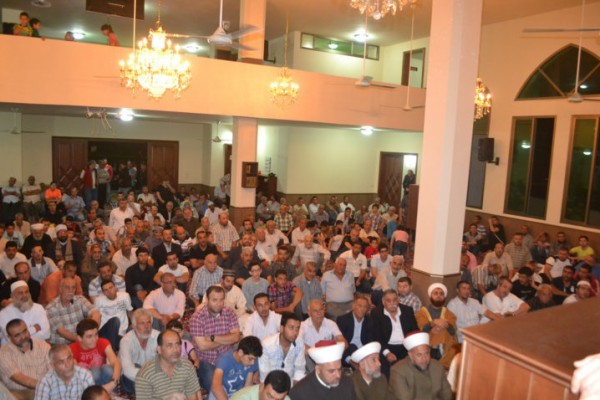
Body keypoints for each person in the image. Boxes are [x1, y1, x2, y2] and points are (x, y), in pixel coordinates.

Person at [189, 285, 241, 392]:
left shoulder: (229, 312)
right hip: (206, 360)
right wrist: (227, 340)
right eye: (214, 300)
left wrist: (213, 338)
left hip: (227, 355)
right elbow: (203, 346)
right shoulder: (197, 318)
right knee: (214, 389)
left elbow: (236, 337)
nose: (219, 303)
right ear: (206, 300)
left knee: (238, 383)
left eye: (221, 300)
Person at [135, 329, 201, 399]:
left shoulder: (187, 366)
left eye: (177, 344)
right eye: (169, 346)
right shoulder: (145, 375)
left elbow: (193, 397)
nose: (175, 350)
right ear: (159, 350)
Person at [387, 332, 452, 400]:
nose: (424, 359)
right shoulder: (398, 371)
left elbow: (447, 395)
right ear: (410, 355)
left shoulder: (437, 366)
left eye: (427, 353)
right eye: (419, 355)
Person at [371, 289, 419, 376]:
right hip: (386, 346)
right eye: (388, 301)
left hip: (405, 346)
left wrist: (413, 348)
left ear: (398, 300)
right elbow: (377, 337)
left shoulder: (407, 311)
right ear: (383, 302)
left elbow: (415, 331)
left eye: (394, 300)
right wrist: (387, 353)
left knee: (412, 369)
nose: (392, 303)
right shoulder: (376, 313)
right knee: (386, 371)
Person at [0, 318, 51, 399]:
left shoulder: (43, 345)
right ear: (9, 337)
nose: (23, 337)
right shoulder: (3, 352)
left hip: (45, 391)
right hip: (18, 393)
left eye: (25, 331)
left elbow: (52, 370)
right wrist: (44, 386)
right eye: (17, 335)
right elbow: (18, 377)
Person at [289, 341, 356, 400]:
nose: (338, 375)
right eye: (331, 371)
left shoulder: (347, 383)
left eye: (339, 369)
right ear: (318, 369)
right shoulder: (300, 393)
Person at [69, 319, 121, 392]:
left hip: (105, 380)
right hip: (88, 385)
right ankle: (99, 395)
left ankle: (111, 394)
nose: (94, 339)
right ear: (79, 338)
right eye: (89, 336)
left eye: (96, 334)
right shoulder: (71, 349)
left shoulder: (103, 342)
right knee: (94, 372)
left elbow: (116, 363)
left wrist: (114, 383)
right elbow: (76, 374)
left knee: (108, 369)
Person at [46, 278, 101, 345]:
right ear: (60, 289)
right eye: (67, 287)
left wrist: (91, 332)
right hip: (62, 345)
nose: (71, 290)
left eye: (73, 287)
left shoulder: (80, 299)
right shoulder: (51, 308)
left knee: (105, 340)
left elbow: (96, 314)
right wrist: (83, 339)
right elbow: (62, 332)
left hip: (82, 340)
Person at [415, 284, 458, 368]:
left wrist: (443, 325)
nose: (439, 295)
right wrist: (434, 322)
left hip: (445, 346)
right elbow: (422, 330)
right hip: (427, 343)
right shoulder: (422, 312)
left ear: (444, 297)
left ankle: (438, 352)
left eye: (441, 294)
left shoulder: (448, 313)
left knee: (442, 332)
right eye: (435, 293)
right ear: (430, 296)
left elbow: (453, 331)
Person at [118, 308, 160, 394]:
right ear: (134, 326)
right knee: (133, 380)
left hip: (152, 373)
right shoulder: (126, 341)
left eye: (148, 322)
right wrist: (150, 379)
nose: (146, 327)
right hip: (133, 377)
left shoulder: (158, 336)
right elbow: (128, 370)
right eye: (142, 323)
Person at [258, 313, 306, 385]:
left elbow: (299, 370)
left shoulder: (299, 343)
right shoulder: (266, 345)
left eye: (297, 328)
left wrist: (296, 390)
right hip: (271, 385)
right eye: (291, 328)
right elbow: (264, 376)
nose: (295, 332)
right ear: (281, 328)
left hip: (291, 384)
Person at [210, 336, 262, 400]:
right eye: (250, 359)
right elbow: (216, 387)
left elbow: (247, 386)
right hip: (221, 392)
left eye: (255, 359)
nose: (252, 363)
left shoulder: (251, 361)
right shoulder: (224, 359)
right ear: (240, 353)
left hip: (236, 393)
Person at [337, 295, 377, 365]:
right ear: (353, 307)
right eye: (360, 306)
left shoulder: (369, 321)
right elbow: (340, 344)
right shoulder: (343, 320)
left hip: (363, 351)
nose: (362, 309)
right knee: (352, 347)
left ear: (367, 309)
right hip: (348, 352)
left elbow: (370, 341)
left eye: (365, 307)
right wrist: (349, 359)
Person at [94, 279, 133, 351]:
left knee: (134, 327)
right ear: (103, 293)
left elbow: (130, 312)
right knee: (115, 320)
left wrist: (134, 324)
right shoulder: (99, 300)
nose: (109, 291)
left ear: (115, 287)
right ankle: (112, 351)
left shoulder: (125, 296)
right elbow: (95, 317)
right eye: (106, 290)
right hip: (105, 332)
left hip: (121, 333)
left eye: (111, 288)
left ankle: (113, 349)